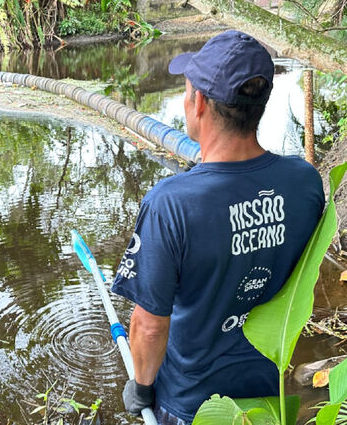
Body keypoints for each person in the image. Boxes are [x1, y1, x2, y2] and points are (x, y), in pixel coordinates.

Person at [110, 30, 325, 424]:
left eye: (187, 90)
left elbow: (150, 325)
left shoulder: (170, 203)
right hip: (271, 396)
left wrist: (140, 386)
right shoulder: (304, 181)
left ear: (201, 104)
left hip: (193, 407)